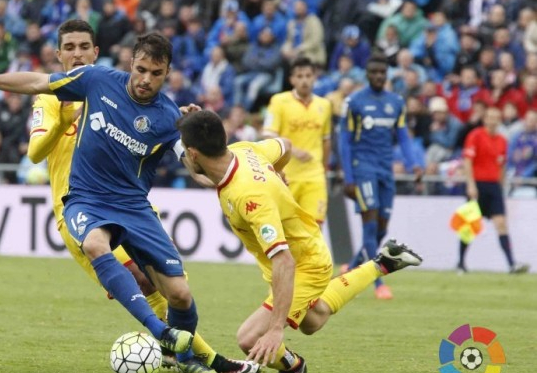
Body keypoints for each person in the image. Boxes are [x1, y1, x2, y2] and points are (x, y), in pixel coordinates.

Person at [0, 31, 257, 373]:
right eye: (141, 70)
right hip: (81, 203)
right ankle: (183, 346)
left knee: (177, 293)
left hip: (133, 206)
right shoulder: (79, 88)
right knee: (117, 261)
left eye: (155, 73)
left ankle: (179, 355)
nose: (145, 79)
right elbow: (34, 139)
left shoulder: (164, 115)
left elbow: (197, 168)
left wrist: (241, 172)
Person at [176, 110, 422, 373]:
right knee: (313, 320)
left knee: (250, 338)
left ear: (193, 153)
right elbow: (285, 146)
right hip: (302, 250)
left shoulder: (250, 196)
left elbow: (284, 260)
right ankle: (383, 263)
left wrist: (274, 330)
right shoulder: (243, 150)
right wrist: (276, 172)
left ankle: (297, 368)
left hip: (304, 263)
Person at [338, 53, 423, 300]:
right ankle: (377, 284)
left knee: (381, 229)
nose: (378, 76)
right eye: (373, 72)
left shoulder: (396, 102)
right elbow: (344, 141)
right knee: (371, 222)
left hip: (386, 170)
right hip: (363, 168)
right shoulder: (354, 102)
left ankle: (353, 267)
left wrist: (414, 164)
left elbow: (404, 137)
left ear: (386, 75)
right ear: (367, 74)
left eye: (382, 73)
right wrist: (349, 176)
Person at [458, 106, 529, 274]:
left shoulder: (502, 141)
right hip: (478, 185)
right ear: (485, 119)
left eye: (496, 117)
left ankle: (512, 264)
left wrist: (501, 186)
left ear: (499, 120)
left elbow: (502, 165)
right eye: (490, 117)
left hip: (494, 186)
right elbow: (468, 161)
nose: (493, 120)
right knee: (470, 226)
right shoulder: (475, 136)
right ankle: (460, 263)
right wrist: (470, 184)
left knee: (501, 224)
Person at [262, 57, 332, 224]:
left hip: (314, 176)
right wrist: (293, 150)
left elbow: (326, 139)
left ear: (315, 77)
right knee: (286, 226)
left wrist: (323, 169)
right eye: (299, 76)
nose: (304, 81)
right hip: (287, 175)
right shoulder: (279, 101)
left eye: (308, 76)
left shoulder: (325, 105)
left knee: (314, 227)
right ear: (292, 79)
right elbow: (267, 135)